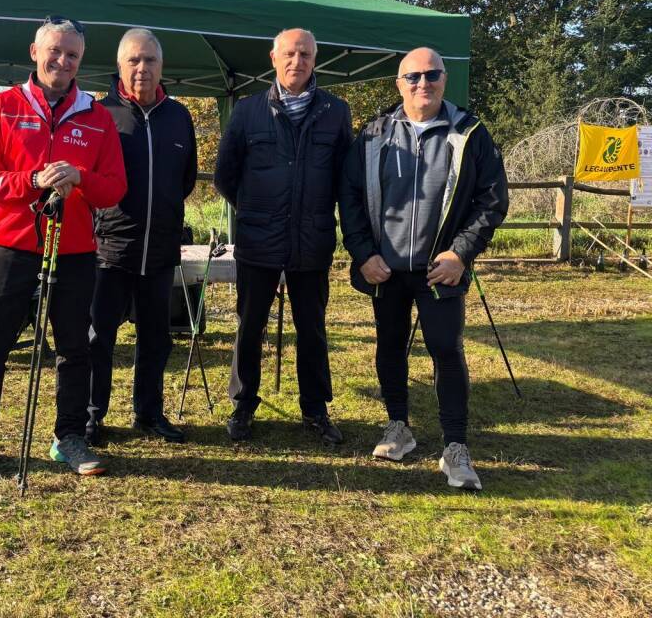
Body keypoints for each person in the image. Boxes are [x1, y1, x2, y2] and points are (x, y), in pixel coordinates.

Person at [0, 17, 127, 483]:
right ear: (34, 51)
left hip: (75, 250)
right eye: (55, 51)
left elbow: (114, 189)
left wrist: (81, 178)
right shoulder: (3, 106)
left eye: (72, 55)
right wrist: (30, 180)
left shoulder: (98, 116)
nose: (62, 61)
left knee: (74, 348)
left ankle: (69, 436)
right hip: (10, 245)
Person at [338, 47, 508, 490]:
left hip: (440, 269)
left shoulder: (470, 132)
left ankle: (455, 448)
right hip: (386, 270)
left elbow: (492, 200)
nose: (422, 84)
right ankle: (398, 427)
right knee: (389, 347)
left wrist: (461, 254)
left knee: (446, 350)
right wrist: (362, 253)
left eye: (431, 75)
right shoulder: (374, 134)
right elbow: (350, 198)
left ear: (444, 79)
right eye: (412, 77)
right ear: (399, 84)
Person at [214, 28, 353, 443]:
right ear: (273, 58)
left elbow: (346, 178)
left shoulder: (336, 112)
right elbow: (225, 176)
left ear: (315, 60)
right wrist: (256, 210)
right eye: (290, 54)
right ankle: (243, 405)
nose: (298, 61)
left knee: (311, 328)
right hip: (259, 241)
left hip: (312, 241)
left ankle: (315, 410)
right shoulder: (247, 111)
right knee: (249, 325)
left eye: (306, 54)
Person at [86, 28, 198, 446]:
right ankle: (93, 416)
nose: (142, 68)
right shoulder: (99, 115)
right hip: (110, 249)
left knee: (157, 338)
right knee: (99, 337)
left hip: (162, 249)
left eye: (150, 60)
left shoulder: (179, 117)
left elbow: (184, 180)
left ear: (161, 66)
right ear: (119, 66)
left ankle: (148, 413)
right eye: (133, 60)